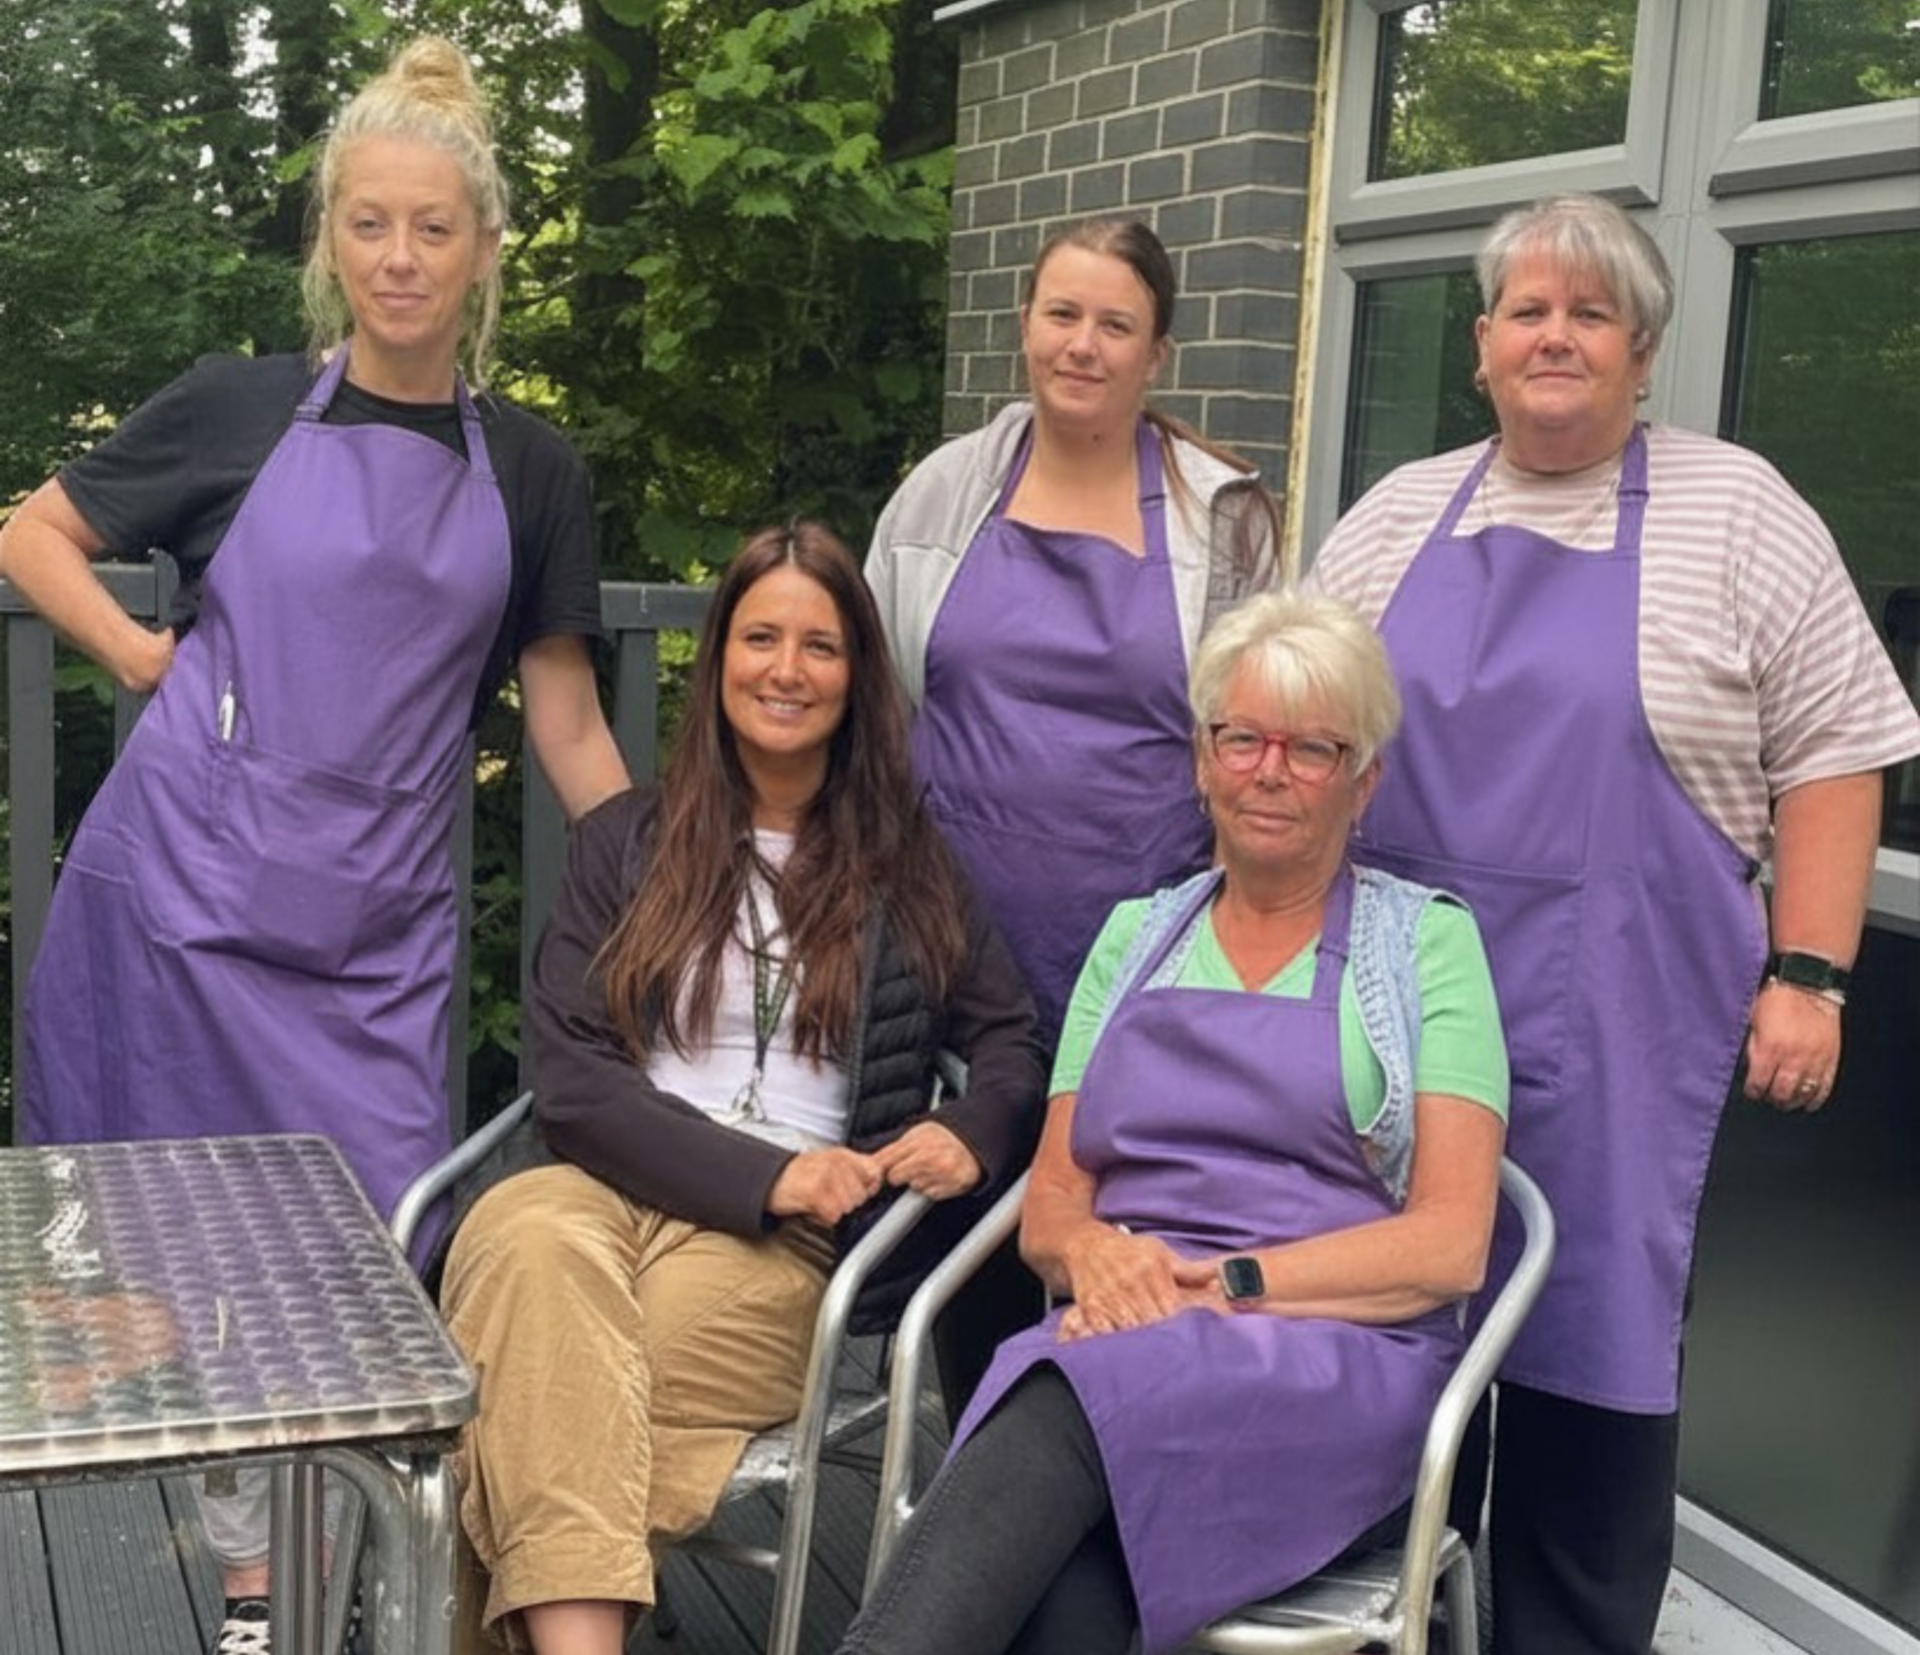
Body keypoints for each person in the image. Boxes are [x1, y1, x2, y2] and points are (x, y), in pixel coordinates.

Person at [0, 36, 630, 1653]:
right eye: (369, 224)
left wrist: (672, 879)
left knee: (378, 1265)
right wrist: (139, 658)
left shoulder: (534, 470)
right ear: (330, 239)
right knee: (186, 1260)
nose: (399, 257)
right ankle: (258, 1593)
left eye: (433, 228)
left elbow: (567, 723)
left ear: (483, 249)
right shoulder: (236, 407)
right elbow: (35, 533)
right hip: (182, 910)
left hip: (377, 947)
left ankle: (354, 1570)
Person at [1308, 192, 1920, 1655]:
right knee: (1376, 1346)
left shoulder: (1738, 509)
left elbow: (1839, 748)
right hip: (1394, 1019)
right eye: (1529, 310)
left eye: (1591, 314)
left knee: (1592, 1365)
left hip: (1622, 1025)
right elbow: (1300, 723)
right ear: (1481, 345)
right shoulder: (1397, 515)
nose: (1556, 336)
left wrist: (1812, 972)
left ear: (1643, 351)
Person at [837, 589, 1510, 1655]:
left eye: (1313, 747)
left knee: (1057, 1396)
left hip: (1332, 1362)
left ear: (1365, 781)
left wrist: (1227, 1283)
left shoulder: (1426, 945)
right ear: (1203, 760)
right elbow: (1052, 1204)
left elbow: (1451, 1244)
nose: (1270, 770)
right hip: (1129, 1331)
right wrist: (1097, 1256)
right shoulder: (1134, 940)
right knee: (1068, 1596)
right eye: (1242, 737)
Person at [438, 523, 1045, 1655]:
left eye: (820, 645)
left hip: (778, 1248)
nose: (786, 668)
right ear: (719, 656)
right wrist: (769, 1171)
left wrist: (971, 1126)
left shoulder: (908, 864)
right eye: (761, 637)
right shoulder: (627, 840)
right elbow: (570, 1076)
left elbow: (1007, 1033)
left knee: (534, 1388)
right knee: (526, 1253)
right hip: (593, 1182)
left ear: (856, 675)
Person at [866, 214, 1285, 1048]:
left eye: (1115, 326)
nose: (1082, 346)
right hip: (936, 948)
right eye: (1062, 314)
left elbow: (1258, 747)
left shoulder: (1226, 523)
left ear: (1156, 355)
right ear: (1026, 323)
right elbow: (867, 709)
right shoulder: (941, 492)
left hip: (1148, 966)